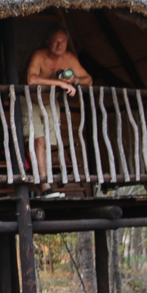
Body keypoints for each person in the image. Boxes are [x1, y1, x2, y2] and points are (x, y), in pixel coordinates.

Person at [24, 28, 92, 198]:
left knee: (46, 142)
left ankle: (43, 187)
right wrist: (59, 83)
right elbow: (31, 79)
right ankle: (45, 186)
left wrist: (73, 80)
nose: (59, 45)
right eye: (55, 41)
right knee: (38, 140)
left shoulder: (68, 58)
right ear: (48, 42)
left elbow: (88, 80)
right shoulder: (39, 55)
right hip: (30, 100)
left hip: (50, 103)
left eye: (63, 41)